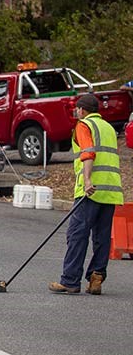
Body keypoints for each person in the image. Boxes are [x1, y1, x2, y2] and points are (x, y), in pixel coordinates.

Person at [49, 94, 124, 295]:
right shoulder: (108, 128)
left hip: (90, 191)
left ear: (82, 110)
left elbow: (88, 153)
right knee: (102, 237)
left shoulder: (84, 126)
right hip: (110, 191)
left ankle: (70, 280)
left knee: (77, 234)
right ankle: (96, 279)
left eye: (77, 109)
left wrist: (88, 180)